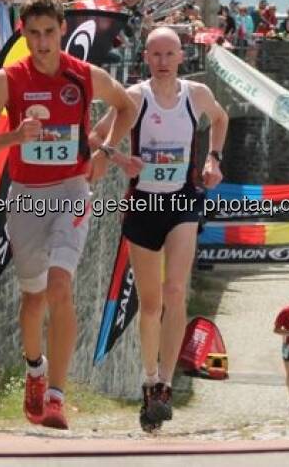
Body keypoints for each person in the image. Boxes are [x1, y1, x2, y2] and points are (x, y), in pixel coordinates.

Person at [0, 0, 136, 430]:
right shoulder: (9, 79)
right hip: (25, 193)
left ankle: (58, 396)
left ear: (62, 31)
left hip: (72, 189)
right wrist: (14, 138)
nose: (42, 43)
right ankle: (35, 371)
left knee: (61, 285)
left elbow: (126, 106)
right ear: (23, 33)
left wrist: (105, 152)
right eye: (34, 34)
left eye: (49, 33)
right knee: (33, 296)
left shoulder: (85, 75)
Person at [89, 26, 228, 432]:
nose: (164, 62)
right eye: (156, 55)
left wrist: (213, 160)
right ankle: (149, 380)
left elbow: (220, 119)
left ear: (182, 57)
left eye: (170, 54)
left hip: (182, 199)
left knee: (175, 291)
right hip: (144, 204)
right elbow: (98, 137)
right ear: (146, 58)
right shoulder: (134, 99)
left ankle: (167, 382)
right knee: (150, 304)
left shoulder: (196, 95)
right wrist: (119, 159)